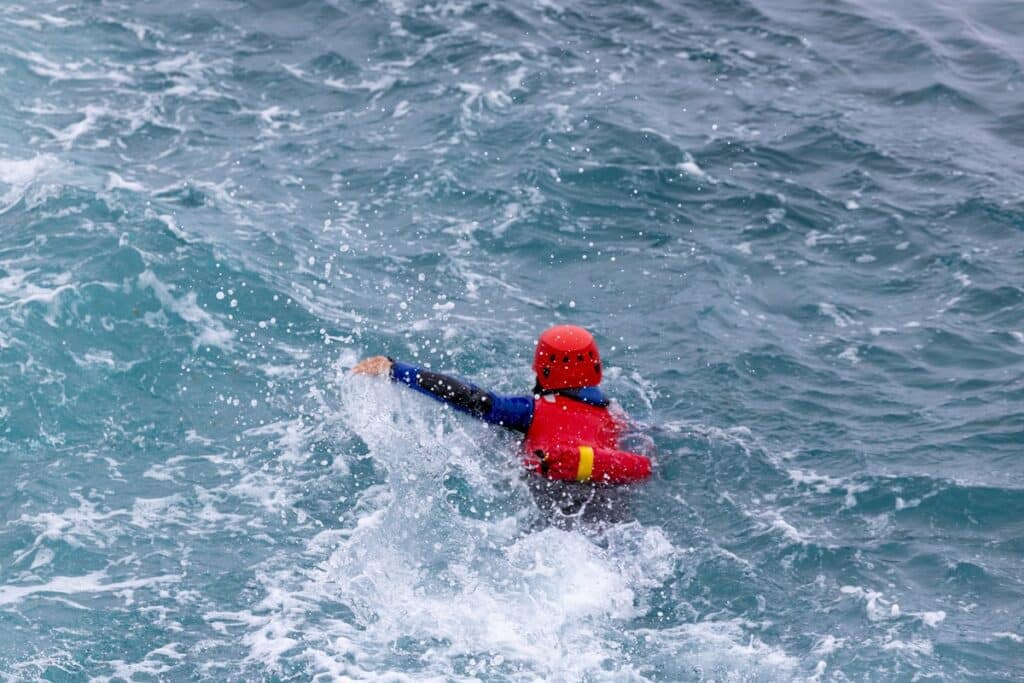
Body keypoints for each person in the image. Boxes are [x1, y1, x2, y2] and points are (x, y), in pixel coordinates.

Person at [352, 325, 651, 485]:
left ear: (543, 367)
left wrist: (396, 369)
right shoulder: (615, 416)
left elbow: (470, 398)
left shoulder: (529, 410)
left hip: (552, 496)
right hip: (609, 499)